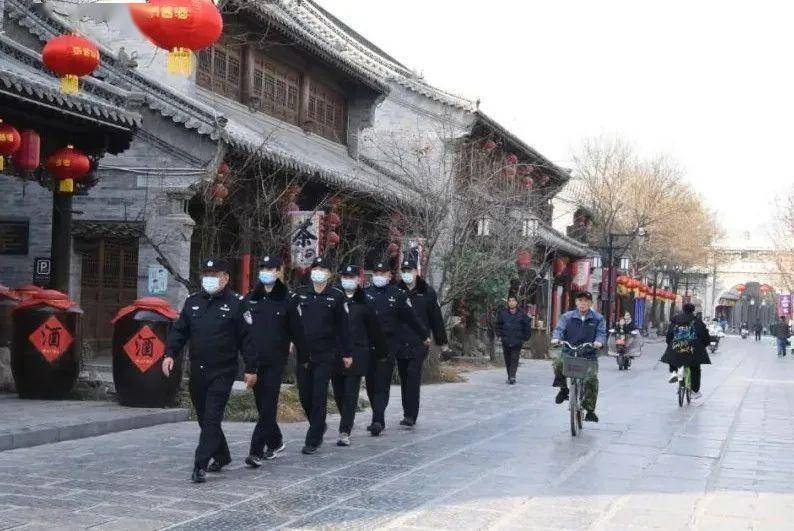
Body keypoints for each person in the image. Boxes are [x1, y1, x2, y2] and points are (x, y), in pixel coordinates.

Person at [163, 258, 255, 483]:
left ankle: (200, 464)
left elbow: (248, 339)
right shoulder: (193, 301)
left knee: (212, 417)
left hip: (223, 370)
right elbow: (180, 331)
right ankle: (222, 455)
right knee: (204, 417)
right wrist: (170, 354)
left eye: (214, 275)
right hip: (198, 369)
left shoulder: (237, 303)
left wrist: (251, 368)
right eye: (206, 274)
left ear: (225, 278)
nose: (209, 279)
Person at [290, 256, 349, 455]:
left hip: (326, 353)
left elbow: (343, 327)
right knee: (304, 395)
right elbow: (290, 321)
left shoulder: (336, 296)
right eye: (315, 268)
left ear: (329, 274)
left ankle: (313, 439)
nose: (318, 272)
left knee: (319, 395)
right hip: (303, 353)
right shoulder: (300, 294)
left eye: (323, 269)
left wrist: (347, 352)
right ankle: (319, 424)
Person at [364, 261, 428, 436]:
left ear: (389, 276)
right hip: (367, 344)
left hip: (388, 344)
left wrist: (424, 335)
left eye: (383, 273)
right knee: (370, 383)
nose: (379, 276)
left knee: (382, 382)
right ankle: (377, 414)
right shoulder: (365, 293)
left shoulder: (397, 294)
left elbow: (411, 317)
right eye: (376, 273)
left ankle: (378, 420)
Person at [243, 255, 293, 467]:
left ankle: (256, 451)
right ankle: (276, 441)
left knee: (267, 406)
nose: (266, 272)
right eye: (263, 268)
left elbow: (296, 329)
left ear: (279, 271)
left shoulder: (287, 299)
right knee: (262, 404)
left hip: (275, 361)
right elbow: (243, 330)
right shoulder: (250, 298)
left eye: (271, 268)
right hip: (254, 362)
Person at [331, 265, 389, 446]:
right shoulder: (334, 298)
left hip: (357, 352)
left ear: (359, 280)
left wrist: (382, 353)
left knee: (350, 393)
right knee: (339, 392)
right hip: (335, 352)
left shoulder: (366, 301)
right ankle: (346, 418)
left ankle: (344, 430)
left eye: (352, 277)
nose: (348, 280)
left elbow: (375, 330)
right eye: (345, 276)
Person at [396, 257, 450, 427]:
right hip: (400, 342)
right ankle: (407, 411)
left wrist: (442, 343)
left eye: (409, 271)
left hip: (420, 342)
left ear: (416, 271)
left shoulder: (427, 292)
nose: (406, 274)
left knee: (413, 374)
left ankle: (411, 415)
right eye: (404, 271)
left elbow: (436, 319)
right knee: (404, 376)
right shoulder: (396, 291)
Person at [550, 291, 606, 422]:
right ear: (576, 302)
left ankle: (590, 410)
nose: (583, 303)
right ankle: (564, 389)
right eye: (580, 300)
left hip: (588, 354)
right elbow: (559, 329)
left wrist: (599, 342)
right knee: (557, 362)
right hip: (569, 351)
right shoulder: (567, 317)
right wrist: (556, 338)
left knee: (591, 379)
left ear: (590, 303)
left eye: (586, 301)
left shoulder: (598, 318)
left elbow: (601, 333)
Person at [661, 303, 711, 399]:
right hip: (692, 349)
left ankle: (674, 373)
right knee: (695, 368)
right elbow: (704, 336)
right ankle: (694, 391)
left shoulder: (675, 320)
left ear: (683, 310)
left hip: (677, 346)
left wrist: (670, 344)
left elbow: (669, 335)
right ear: (693, 310)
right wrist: (703, 346)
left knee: (672, 357)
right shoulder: (697, 321)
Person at [495, 294, 532, 384]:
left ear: (516, 302)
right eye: (510, 301)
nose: (511, 303)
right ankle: (510, 376)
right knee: (507, 359)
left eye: (513, 301)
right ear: (508, 303)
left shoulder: (522, 314)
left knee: (514, 358)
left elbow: (527, 325)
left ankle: (512, 376)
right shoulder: (503, 313)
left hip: (517, 340)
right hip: (506, 339)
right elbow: (498, 325)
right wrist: (500, 335)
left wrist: (525, 337)